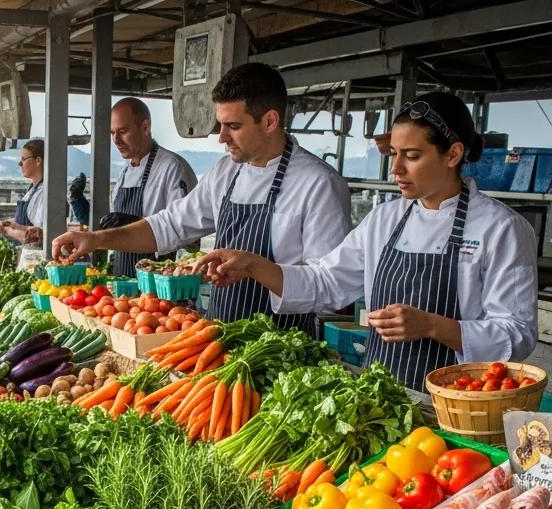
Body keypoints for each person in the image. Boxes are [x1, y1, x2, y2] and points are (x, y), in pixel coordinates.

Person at [202, 91, 538, 391]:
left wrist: (432, 325)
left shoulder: (501, 228)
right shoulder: (385, 219)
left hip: (461, 403)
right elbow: (326, 280)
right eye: (393, 153)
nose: (396, 169)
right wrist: (255, 266)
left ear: (453, 154)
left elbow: (517, 333)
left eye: (412, 155)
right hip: (385, 396)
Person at [53, 63, 351, 333]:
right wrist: (95, 239)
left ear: (270, 121)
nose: (221, 137)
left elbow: (329, 287)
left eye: (233, 126)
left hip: (282, 344)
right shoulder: (227, 172)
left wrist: (253, 266)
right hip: (220, 331)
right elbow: (169, 225)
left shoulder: (318, 184)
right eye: (220, 124)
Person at [100, 97, 198, 276]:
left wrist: (132, 223)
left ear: (145, 127)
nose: (116, 140)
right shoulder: (124, 174)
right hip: (123, 284)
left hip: (160, 285)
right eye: (112, 133)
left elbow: (191, 241)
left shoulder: (172, 168)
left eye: (122, 131)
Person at [0, 139, 46, 244]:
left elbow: (37, 236)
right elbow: (28, 223)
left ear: (38, 160)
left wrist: (6, 231)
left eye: (23, 159)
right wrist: (12, 225)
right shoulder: (32, 189)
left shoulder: (44, 193)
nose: (20, 163)